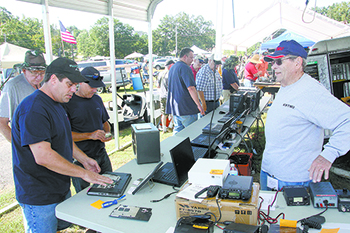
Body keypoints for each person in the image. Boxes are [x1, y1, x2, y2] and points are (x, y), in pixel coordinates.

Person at [11, 57, 113, 233]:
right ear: (53, 79)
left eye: (75, 85)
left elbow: (63, 139)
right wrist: (84, 174)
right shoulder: (34, 108)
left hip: (58, 185)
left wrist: (84, 159)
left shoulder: (57, 103)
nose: (74, 89)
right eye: (69, 84)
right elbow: (43, 156)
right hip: (39, 194)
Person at [260, 40, 350, 191]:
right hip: (269, 172)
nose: (273, 66)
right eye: (272, 62)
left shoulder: (311, 92)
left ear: (297, 63)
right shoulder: (286, 86)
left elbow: (347, 120)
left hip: (293, 181)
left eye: (279, 61)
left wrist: (328, 154)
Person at [62, 66, 113, 193]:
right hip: (79, 159)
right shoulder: (68, 102)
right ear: (80, 82)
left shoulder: (97, 99)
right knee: (84, 194)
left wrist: (107, 133)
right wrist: (90, 135)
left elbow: (104, 122)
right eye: (91, 86)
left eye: (97, 87)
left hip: (101, 154)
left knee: (111, 186)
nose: (94, 90)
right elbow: (64, 135)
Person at [0, 50, 46, 142]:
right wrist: (18, 145)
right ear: (24, 71)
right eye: (34, 72)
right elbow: (2, 122)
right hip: (26, 142)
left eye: (41, 72)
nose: (39, 77)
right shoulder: (12, 87)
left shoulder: (46, 82)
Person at [166, 47, 204, 134]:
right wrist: (199, 104)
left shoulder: (173, 67)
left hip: (175, 108)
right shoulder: (185, 68)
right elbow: (191, 88)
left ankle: (176, 147)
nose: (192, 60)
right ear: (184, 57)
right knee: (192, 133)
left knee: (178, 134)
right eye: (191, 57)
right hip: (186, 108)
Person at [157, 59, 175, 133]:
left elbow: (158, 86)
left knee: (164, 113)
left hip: (162, 96)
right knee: (173, 112)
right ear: (171, 65)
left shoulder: (160, 74)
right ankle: (170, 126)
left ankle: (164, 128)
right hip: (169, 96)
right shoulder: (170, 74)